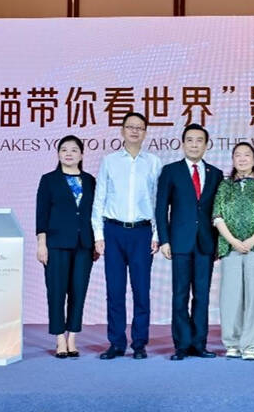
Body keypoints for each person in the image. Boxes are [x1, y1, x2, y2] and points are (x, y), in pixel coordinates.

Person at [92, 112, 162, 360]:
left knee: (141, 291)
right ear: (122, 131)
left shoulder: (153, 162)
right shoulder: (109, 161)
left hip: (142, 232)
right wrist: (98, 234)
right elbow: (100, 198)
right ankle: (116, 343)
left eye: (139, 128)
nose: (134, 131)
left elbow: (158, 201)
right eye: (130, 127)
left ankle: (139, 343)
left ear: (145, 133)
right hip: (113, 231)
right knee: (115, 290)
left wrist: (156, 234)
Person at [156, 123, 223, 361]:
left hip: (206, 243)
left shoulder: (215, 174)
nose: (194, 145)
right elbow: (161, 208)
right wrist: (164, 240)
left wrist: (219, 244)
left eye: (199, 140)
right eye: (190, 140)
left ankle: (199, 344)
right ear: (183, 144)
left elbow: (219, 211)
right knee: (180, 295)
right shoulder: (170, 171)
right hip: (180, 243)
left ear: (206, 145)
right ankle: (182, 345)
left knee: (202, 296)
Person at [212, 142, 254, 361]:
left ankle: (251, 345)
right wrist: (233, 241)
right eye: (237, 155)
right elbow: (217, 216)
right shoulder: (224, 186)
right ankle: (232, 343)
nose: (242, 159)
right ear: (232, 160)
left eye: (246, 155)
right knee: (230, 296)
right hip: (230, 248)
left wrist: (251, 241)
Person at [35, 135, 96, 358]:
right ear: (58, 154)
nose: (68, 153)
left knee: (79, 291)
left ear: (81, 154)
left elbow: (95, 213)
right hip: (56, 244)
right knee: (57, 291)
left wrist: (96, 241)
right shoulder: (49, 180)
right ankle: (60, 338)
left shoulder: (90, 181)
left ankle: (72, 338)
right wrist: (42, 244)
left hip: (84, 245)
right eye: (64, 150)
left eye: (74, 150)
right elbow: (42, 214)